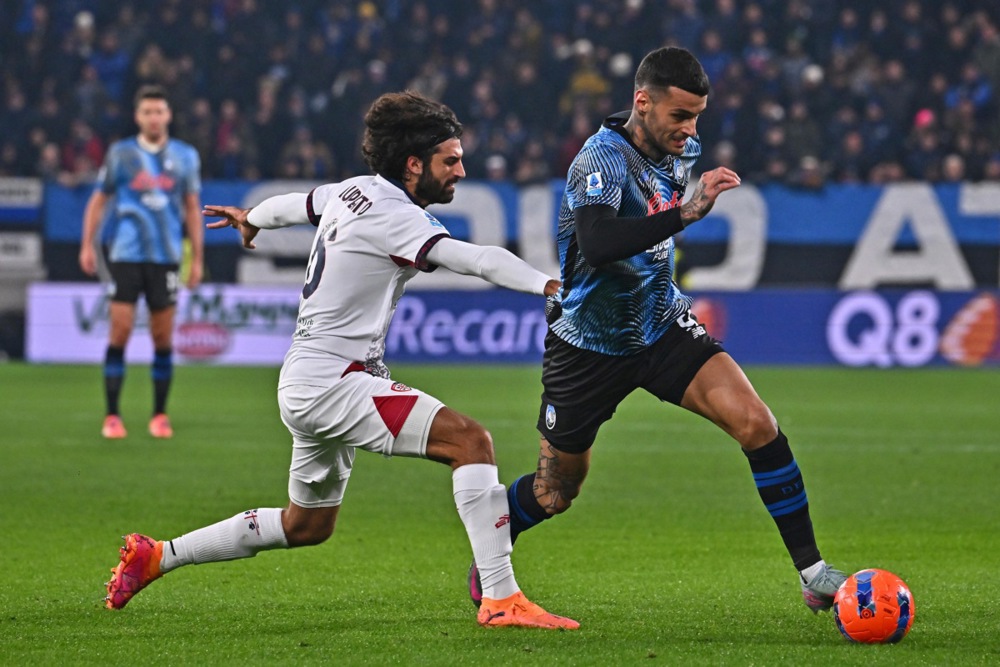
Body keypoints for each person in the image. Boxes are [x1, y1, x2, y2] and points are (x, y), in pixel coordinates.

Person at [103, 91, 578, 631]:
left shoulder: (351, 191)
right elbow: (474, 259)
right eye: (450, 160)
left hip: (308, 379)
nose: (461, 172)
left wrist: (250, 218)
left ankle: (157, 556)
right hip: (335, 381)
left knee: (307, 525)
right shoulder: (396, 216)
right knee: (470, 442)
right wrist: (547, 284)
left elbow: (293, 206)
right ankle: (500, 597)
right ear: (413, 164)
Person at [467, 47, 847, 614]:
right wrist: (685, 214)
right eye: (680, 115)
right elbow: (598, 243)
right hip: (588, 345)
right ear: (642, 102)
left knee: (757, 424)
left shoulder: (680, 149)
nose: (691, 130)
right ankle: (495, 535)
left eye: (697, 117)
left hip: (661, 325)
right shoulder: (600, 159)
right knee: (556, 491)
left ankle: (813, 574)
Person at [79, 84, 204, 440]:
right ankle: (112, 415)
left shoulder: (185, 156)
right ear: (138, 116)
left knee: (162, 337)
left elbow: (192, 208)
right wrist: (87, 245)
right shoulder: (121, 154)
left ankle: (159, 415)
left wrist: (196, 259)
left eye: (159, 111)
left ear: (168, 115)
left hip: (166, 257)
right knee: (119, 331)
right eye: (147, 112)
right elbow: (99, 200)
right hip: (127, 254)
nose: (153, 118)